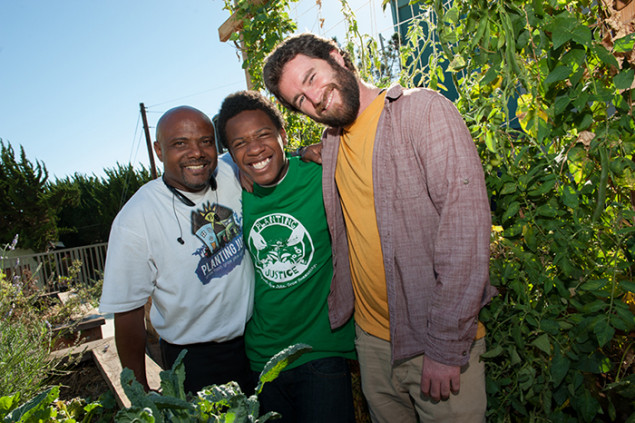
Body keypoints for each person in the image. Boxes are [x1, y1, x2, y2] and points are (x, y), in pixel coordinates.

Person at [262, 33, 497, 422]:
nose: (314, 98)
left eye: (311, 78)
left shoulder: (422, 112)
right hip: (372, 344)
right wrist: (298, 155)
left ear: (338, 57)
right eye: (299, 100)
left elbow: (466, 235)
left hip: (433, 341)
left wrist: (444, 346)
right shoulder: (332, 143)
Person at [216, 90, 356, 423]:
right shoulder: (233, 196)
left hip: (321, 349)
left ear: (282, 134)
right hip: (263, 358)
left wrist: (304, 152)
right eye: (240, 144)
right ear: (231, 155)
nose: (253, 148)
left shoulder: (319, 176)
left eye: (263, 134)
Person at [99, 106, 255, 395]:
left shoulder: (233, 171)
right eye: (180, 143)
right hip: (193, 361)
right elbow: (127, 312)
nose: (196, 152)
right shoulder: (136, 218)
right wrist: (141, 390)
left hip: (256, 341)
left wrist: (308, 152)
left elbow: (273, 160)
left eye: (205, 141)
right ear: (158, 150)